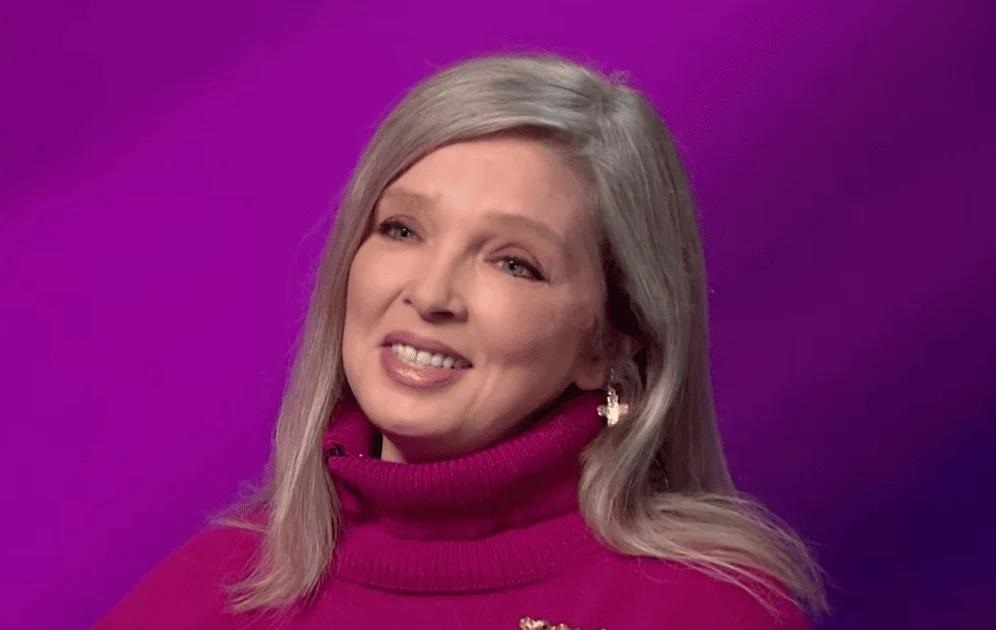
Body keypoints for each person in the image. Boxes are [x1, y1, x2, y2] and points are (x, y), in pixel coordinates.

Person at [96, 52, 828, 629]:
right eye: (401, 229)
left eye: (514, 263)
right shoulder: (212, 589)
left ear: (609, 342)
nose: (431, 294)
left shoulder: (707, 610)